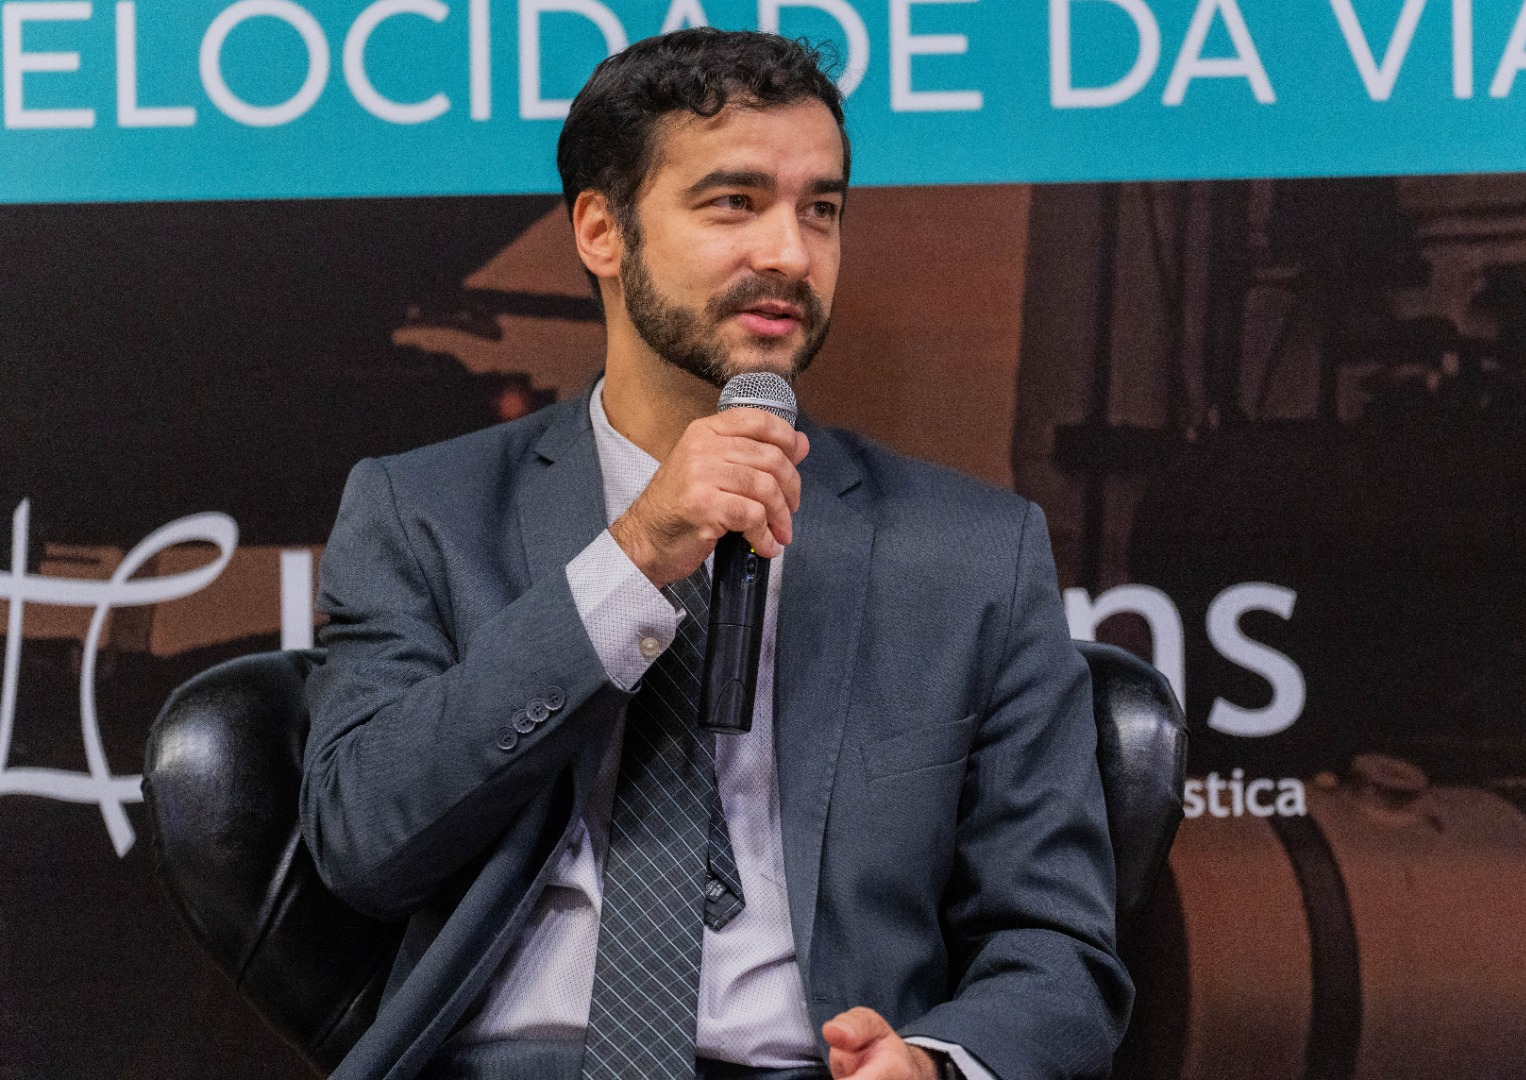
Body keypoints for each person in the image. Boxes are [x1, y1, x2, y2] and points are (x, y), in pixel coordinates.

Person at [301, 28, 1131, 1080]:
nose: (789, 253)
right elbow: (364, 844)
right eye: (734, 202)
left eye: (820, 209)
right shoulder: (424, 510)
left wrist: (932, 1063)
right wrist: (632, 559)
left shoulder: (971, 552)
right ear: (601, 231)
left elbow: (1057, 951)